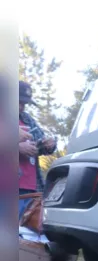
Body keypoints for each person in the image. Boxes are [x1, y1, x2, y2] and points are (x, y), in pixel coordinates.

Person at [18, 81, 56, 219]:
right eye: (18, 102)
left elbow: (40, 141)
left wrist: (49, 145)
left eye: (24, 103)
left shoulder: (27, 119)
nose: (22, 107)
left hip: (32, 189)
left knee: (27, 236)